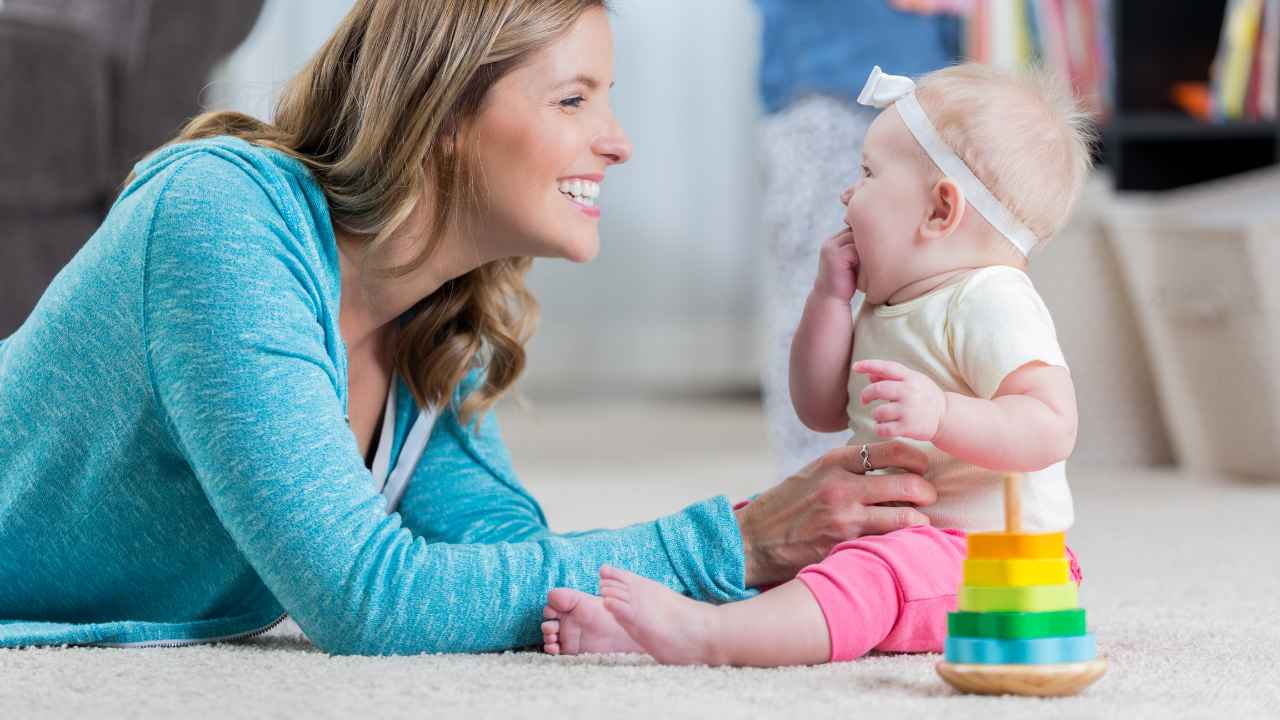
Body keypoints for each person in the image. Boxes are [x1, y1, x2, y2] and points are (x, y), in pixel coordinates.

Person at [0, 0, 938, 654]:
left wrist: (784, 577)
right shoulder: (222, 216)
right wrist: (733, 541)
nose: (619, 140)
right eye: (574, 99)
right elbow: (366, 601)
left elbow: (500, 563)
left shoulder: (436, 320)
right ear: (442, 111)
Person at [541, 62, 1096, 665]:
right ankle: (637, 629)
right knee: (781, 528)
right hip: (897, 530)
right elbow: (820, 407)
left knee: (873, 571)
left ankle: (712, 638)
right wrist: (828, 301)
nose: (847, 193)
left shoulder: (990, 298)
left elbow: (1051, 424)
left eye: (867, 173)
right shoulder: (886, 306)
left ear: (940, 211)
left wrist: (941, 412)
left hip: (997, 562)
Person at [755, 0, 968, 480]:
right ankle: (810, 477)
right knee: (819, 287)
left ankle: (914, 461)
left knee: (927, 294)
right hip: (830, 89)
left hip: (926, 89)